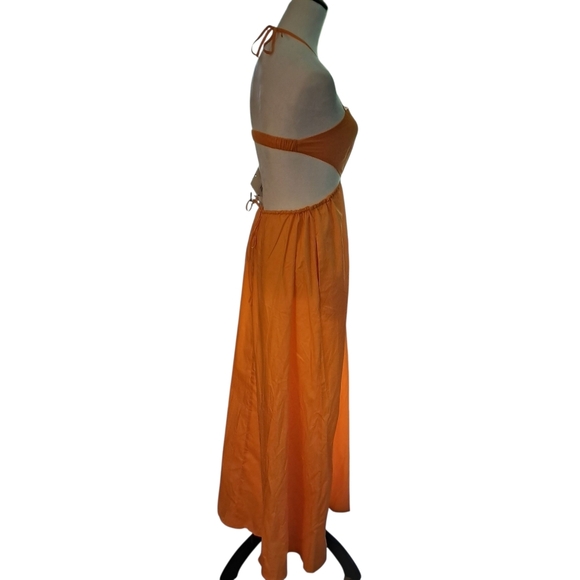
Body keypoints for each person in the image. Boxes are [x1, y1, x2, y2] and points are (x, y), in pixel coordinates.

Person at [218, 1, 358, 578]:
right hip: (308, 257)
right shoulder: (310, 77)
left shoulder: (271, 57)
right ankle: (288, 527)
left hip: (280, 243)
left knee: (281, 380)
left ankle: (285, 513)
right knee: (300, 382)